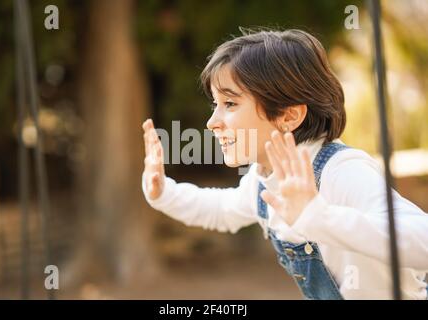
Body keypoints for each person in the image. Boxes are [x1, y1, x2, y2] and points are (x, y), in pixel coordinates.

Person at [141, 29, 428, 299]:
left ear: (289, 116)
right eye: (214, 104)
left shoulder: (340, 171)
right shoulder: (264, 177)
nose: (212, 122)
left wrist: (319, 216)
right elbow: (222, 209)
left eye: (230, 104)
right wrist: (164, 193)